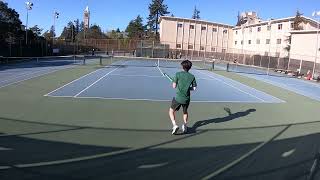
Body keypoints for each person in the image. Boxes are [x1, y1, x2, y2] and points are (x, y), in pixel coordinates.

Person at [169, 60, 197, 134]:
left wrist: (175, 83)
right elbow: (194, 88)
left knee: (171, 111)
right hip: (186, 99)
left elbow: (174, 86)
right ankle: (185, 125)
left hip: (178, 98)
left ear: (182, 66)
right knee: (185, 112)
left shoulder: (178, 74)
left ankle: (174, 125)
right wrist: (188, 88)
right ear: (189, 67)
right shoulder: (192, 76)